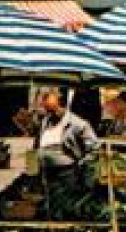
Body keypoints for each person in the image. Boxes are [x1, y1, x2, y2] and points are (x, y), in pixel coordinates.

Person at [36, 88, 100, 218]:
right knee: (51, 211)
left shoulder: (77, 124)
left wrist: (80, 166)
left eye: (46, 97)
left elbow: (94, 149)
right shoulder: (45, 122)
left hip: (67, 176)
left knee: (67, 211)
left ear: (57, 97)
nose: (42, 102)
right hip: (47, 176)